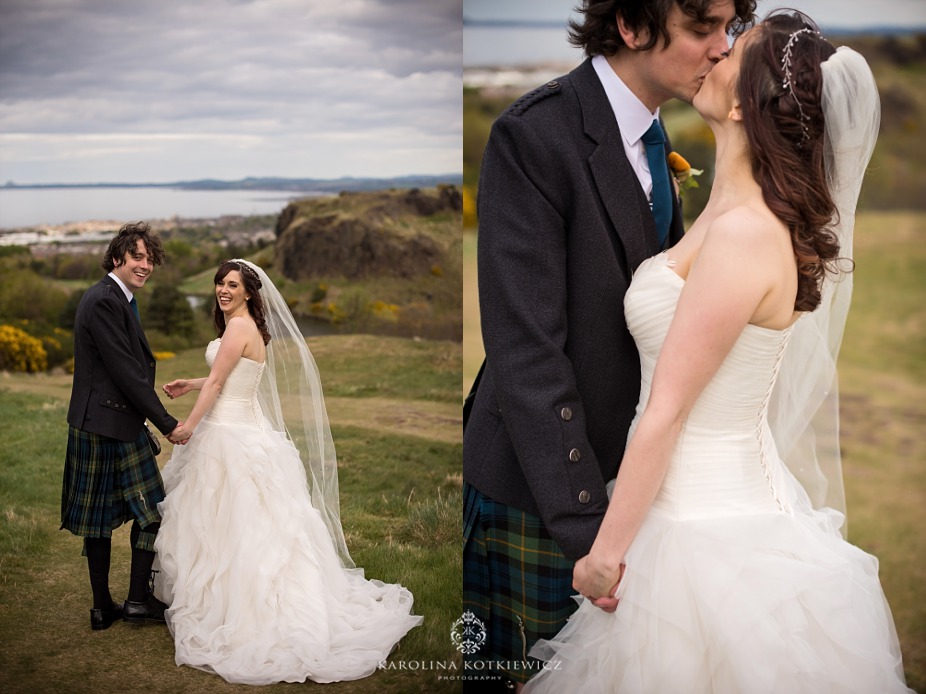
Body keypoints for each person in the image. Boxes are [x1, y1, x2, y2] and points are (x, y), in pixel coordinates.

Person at [524, 11, 913, 693]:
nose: (716, 51)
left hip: (708, 533)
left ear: (740, 103)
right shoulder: (727, 212)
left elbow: (668, 409)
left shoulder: (744, 235)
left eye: (734, 51)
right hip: (679, 509)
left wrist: (604, 556)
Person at [462, 0, 756, 687]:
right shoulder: (534, 135)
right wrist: (589, 526)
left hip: (628, 488)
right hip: (543, 487)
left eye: (729, 29)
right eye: (701, 28)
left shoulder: (659, 137)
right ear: (630, 24)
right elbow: (526, 350)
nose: (722, 48)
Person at [151, 259, 422, 685]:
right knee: (251, 524)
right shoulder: (247, 328)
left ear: (248, 292)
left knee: (228, 525)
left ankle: (241, 611)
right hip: (246, 430)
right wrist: (190, 382)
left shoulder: (238, 327)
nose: (223, 290)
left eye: (233, 285)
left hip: (230, 433)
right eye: (220, 283)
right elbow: (226, 375)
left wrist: (187, 425)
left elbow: (222, 385)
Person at [62, 221, 186, 630]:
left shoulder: (118, 298)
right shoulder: (104, 300)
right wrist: (167, 423)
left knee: (135, 514)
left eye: (150, 259)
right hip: (104, 424)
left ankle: (123, 604)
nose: (145, 265)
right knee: (148, 512)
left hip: (107, 420)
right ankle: (119, 603)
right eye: (137, 257)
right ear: (117, 257)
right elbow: (127, 373)